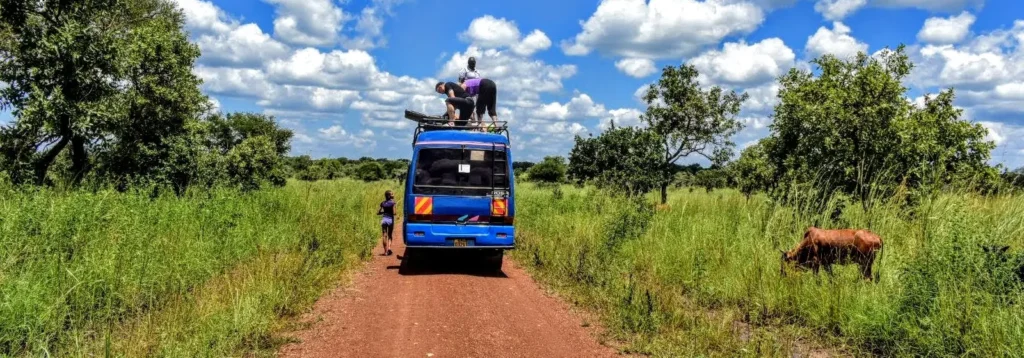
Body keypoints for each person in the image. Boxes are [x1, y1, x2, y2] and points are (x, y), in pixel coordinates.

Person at [458, 57, 483, 128]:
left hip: (475, 92)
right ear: (468, 63)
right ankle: (469, 120)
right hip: (467, 91)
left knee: (476, 106)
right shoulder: (464, 70)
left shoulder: (477, 71)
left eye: (474, 63)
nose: (473, 64)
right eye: (471, 63)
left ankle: (476, 122)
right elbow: (460, 81)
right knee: (469, 106)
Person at [377, 190, 397, 256]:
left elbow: (378, 212)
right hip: (390, 220)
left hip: (384, 220)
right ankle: (389, 249)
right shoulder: (393, 203)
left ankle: (385, 252)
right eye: (392, 194)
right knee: (390, 235)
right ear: (388, 196)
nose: (393, 195)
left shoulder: (382, 203)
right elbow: (394, 213)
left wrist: (384, 212)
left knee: (384, 235)